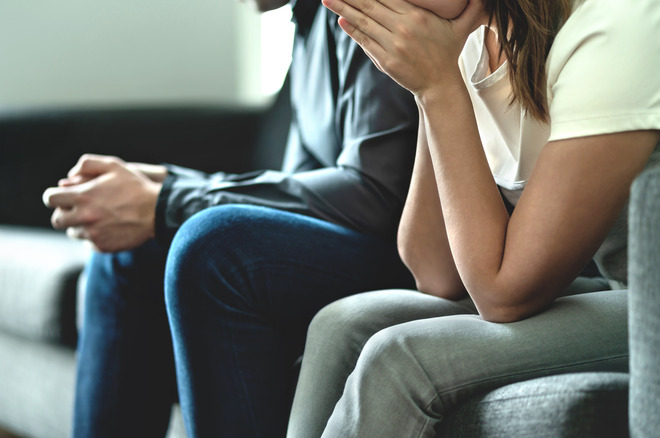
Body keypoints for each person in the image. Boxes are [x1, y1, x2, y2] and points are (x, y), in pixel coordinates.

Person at [43, 0, 421, 436]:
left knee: (210, 246)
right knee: (132, 248)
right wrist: (165, 187)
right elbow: (302, 182)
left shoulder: (366, 10)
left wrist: (169, 200)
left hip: (412, 258)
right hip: (358, 242)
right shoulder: (307, 21)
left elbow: (374, 193)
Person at [286, 0, 660, 436]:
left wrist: (439, 88)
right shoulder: (476, 38)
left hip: (649, 302)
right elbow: (435, 271)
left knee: (401, 359)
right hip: (618, 290)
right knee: (341, 326)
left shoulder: (617, 23)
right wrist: (429, 87)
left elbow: (503, 295)